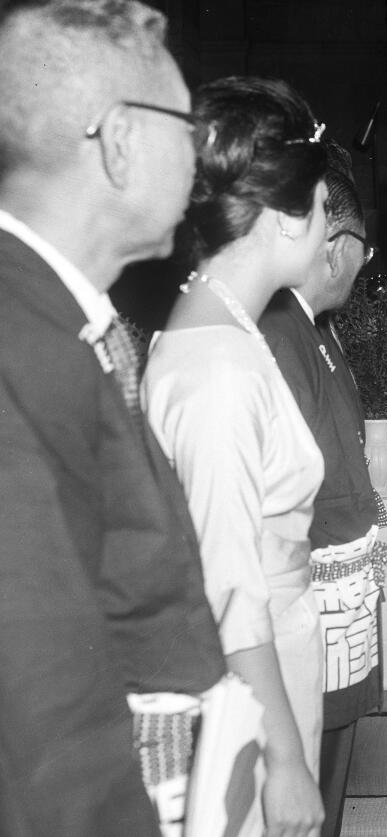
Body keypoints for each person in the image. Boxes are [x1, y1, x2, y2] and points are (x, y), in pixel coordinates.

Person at [0, 3, 227, 834]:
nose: (203, 158)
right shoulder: (17, 336)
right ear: (123, 141)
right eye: (189, 127)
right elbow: (36, 686)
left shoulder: (59, 313)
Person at [144, 76, 330, 837]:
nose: (327, 229)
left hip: (275, 652)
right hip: (254, 678)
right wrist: (283, 760)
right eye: (322, 208)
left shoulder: (231, 332)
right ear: (287, 219)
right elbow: (230, 583)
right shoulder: (217, 366)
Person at [258, 157, 387, 837]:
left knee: (332, 754)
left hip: (336, 583)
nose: (360, 270)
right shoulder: (279, 329)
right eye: (362, 254)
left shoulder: (313, 326)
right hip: (309, 588)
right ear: (337, 245)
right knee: (309, 763)